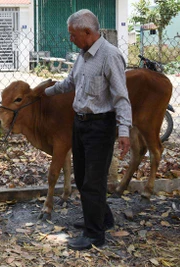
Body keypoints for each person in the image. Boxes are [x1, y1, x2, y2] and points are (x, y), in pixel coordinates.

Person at [40, 9, 132, 250]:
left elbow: (122, 97)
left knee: (93, 180)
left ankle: (94, 235)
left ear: (88, 32)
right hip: (80, 123)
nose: (70, 39)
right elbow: (71, 82)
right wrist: (43, 93)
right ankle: (103, 219)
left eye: (73, 35)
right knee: (82, 178)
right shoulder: (82, 55)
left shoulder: (110, 56)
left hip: (100, 126)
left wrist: (124, 131)